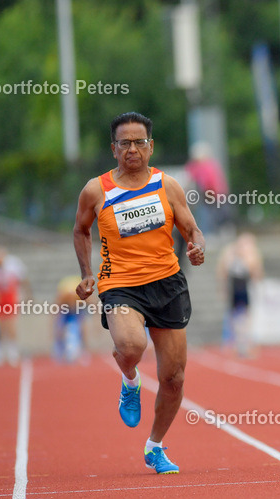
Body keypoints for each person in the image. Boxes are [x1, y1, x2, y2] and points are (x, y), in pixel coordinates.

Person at [73, 112, 205, 475]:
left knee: (174, 378)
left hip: (167, 282)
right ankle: (129, 380)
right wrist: (87, 274)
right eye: (125, 143)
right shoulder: (96, 190)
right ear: (113, 149)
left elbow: (192, 229)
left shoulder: (168, 185)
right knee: (131, 347)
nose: (133, 149)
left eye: (139, 142)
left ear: (151, 146)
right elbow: (81, 231)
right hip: (121, 284)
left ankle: (155, 446)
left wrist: (197, 246)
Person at [217, 232, 263, 357]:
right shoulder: (229, 253)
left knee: (245, 318)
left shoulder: (251, 255)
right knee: (234, 317)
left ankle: (243, 343)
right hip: (235, 288)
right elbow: (223, 271)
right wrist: (223, 288)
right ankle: (235, 343)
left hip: (245, 288)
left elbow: (256, 273)